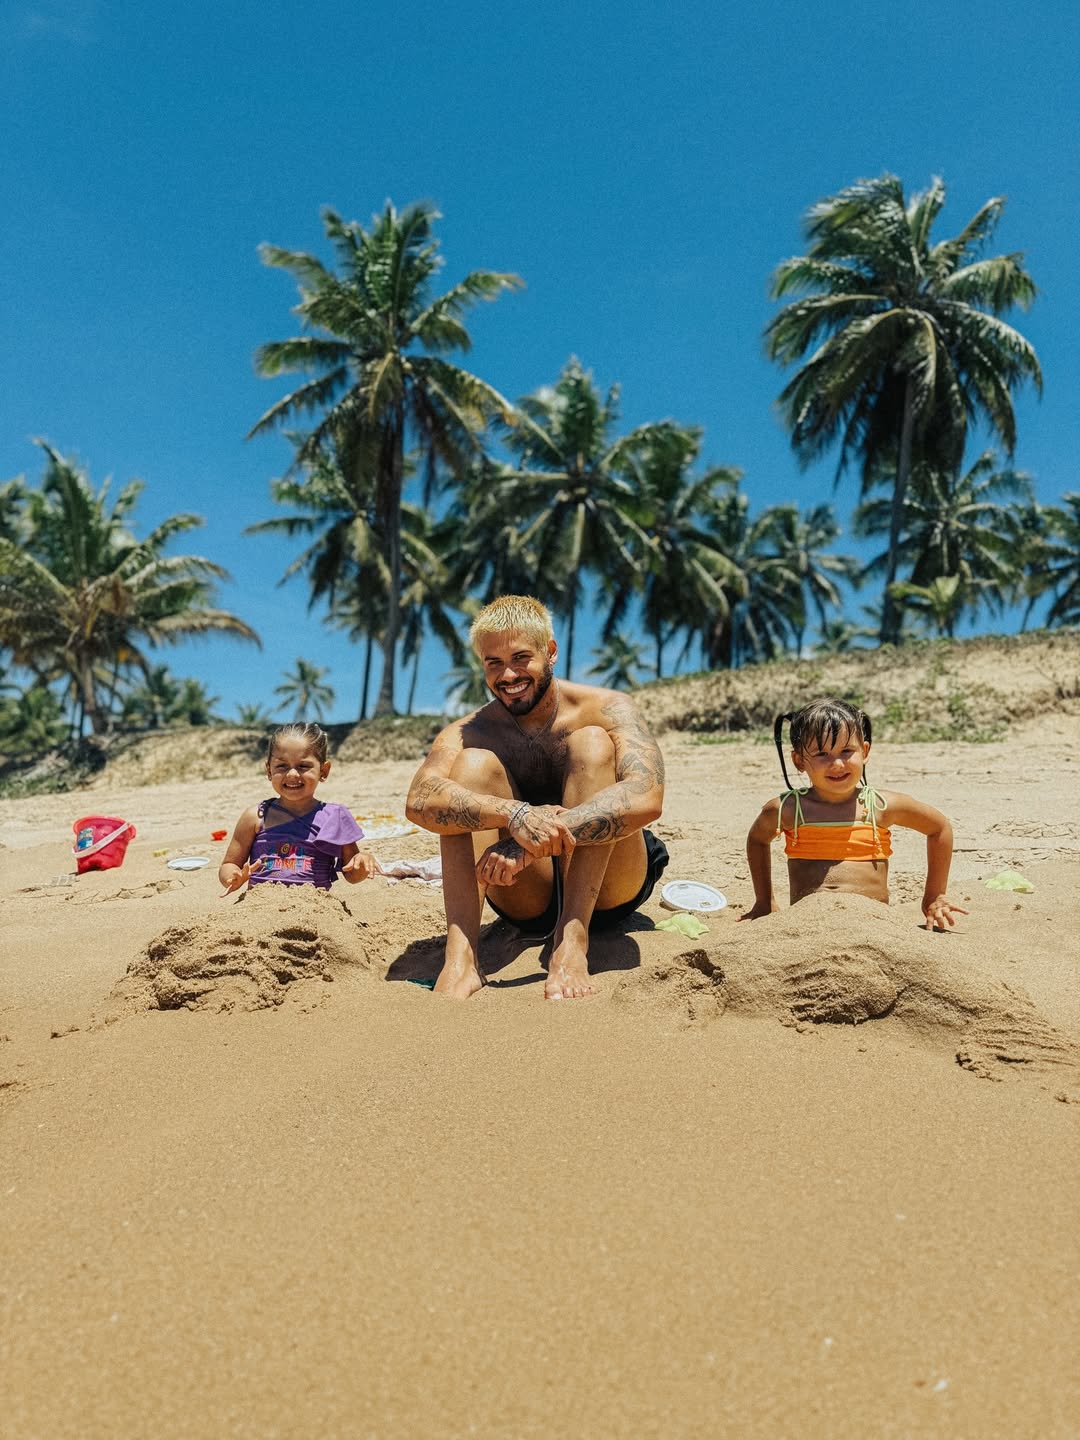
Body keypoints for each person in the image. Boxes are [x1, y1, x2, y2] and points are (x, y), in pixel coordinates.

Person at [405, 595, 668, 1000]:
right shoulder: (470, 731)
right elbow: (420, 800)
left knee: (593, 744)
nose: (507, 675)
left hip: (610, 887)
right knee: (470, 768)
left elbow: (647, 795)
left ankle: (572, 940)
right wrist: (515, 814)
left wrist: (531, 839)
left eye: (520, 657)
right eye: (493, 663)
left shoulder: (608, 707)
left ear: (550, 652)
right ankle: (461, 959)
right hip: (523, 894)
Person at [741, 697, 968, 930]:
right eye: (821, 754)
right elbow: (758, 839)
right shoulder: (787, 809)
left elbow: (939, 828)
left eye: (847, 751)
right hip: (808, 928)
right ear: (799, 760)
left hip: (874, 927)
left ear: (865, 751)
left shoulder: (881, 806)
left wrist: (934, 895)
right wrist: (764, 900)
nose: (837, 764)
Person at [219, 723, 380, 894]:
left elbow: (352, 875)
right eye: (282, 766)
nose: (292, 774)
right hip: (259, 911)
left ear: (324, 770)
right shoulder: (255, 816)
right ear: (269, 770)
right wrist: (232, 876)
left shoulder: (334, 817)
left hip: (315, 911)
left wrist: (361, 862)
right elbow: (230, 863)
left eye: (303, 766)